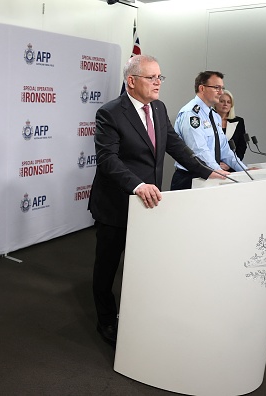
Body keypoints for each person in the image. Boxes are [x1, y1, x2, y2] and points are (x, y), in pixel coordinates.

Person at [88, 55, 221, 347]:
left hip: (149, 205)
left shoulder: (158, 108)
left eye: (160, 77)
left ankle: (137, 316)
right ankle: (106, 320)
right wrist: (136, 185)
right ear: (132, 81)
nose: (158, 83)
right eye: (151, 78)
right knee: (107, 267)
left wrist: (209, 171)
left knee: (142, 264)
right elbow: (107, 159)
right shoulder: (109, 113)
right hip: (116, 205)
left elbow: (175, 145)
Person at [171, 71, 247, 190]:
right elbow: (199, 150)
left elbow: (225, 149)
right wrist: (220, 171)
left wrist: (245, 171)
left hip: (211, 175)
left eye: (222, 88)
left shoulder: (214, 115)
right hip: (191, 178)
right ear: (202, 88)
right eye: (217, 88)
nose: (221, 92)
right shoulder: (191, 114)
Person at [215, 89, 247, 166]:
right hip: (212, 167)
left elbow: (242, 146)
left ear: (231, 105)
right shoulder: (208, 121)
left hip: (232, 167)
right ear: (215, 103)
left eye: (228, 102)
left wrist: (230, 165)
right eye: (222, 101)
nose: (225, 104)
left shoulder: (239, 121)